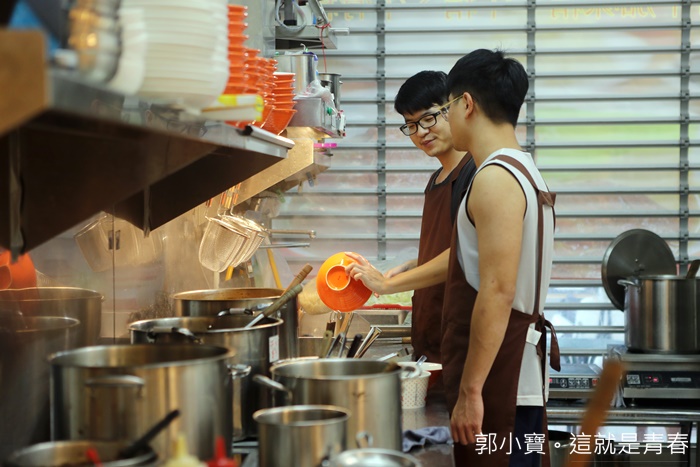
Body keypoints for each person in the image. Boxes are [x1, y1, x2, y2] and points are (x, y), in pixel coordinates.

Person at [438, 48, 560, 467]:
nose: (446, 119)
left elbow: (498, 291)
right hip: (514, 378)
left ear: (466, 103)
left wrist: (470, 391)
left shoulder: (495, 178)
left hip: (501, 387)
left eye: (446, 108)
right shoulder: (524, 170)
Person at [346, 70, 475, 365]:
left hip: (464, 339)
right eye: (411, 124)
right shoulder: (436, 180)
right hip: (433, 333)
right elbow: (450, 245)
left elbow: (466, 255)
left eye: (428, 118)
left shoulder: (474, 173)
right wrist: (413, 265)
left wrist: (387, 285)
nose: (421, 132)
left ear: (453, 109)